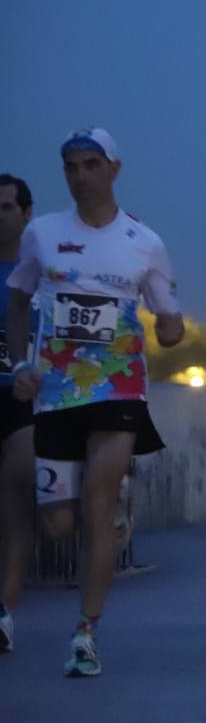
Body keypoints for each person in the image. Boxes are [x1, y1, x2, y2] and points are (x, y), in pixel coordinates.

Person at [7, 129, 185, 676]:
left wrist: (174, 325)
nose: (80, 175)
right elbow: (17, 300)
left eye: (90, 164)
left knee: (99, 501)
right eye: (70, 167)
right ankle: (107, 531)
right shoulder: (41, 234)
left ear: (113, 169)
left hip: (118, 388)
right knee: (60, 526)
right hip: (57, 393)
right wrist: (20, 364)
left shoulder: (144, 241)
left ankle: (85, 634)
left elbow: (169, 323)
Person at [0, 174, 36, 653]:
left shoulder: (40, 268)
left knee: (17, 493)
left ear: (26, 213)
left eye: (7, 207)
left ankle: (5, 612)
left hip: (23, 397)